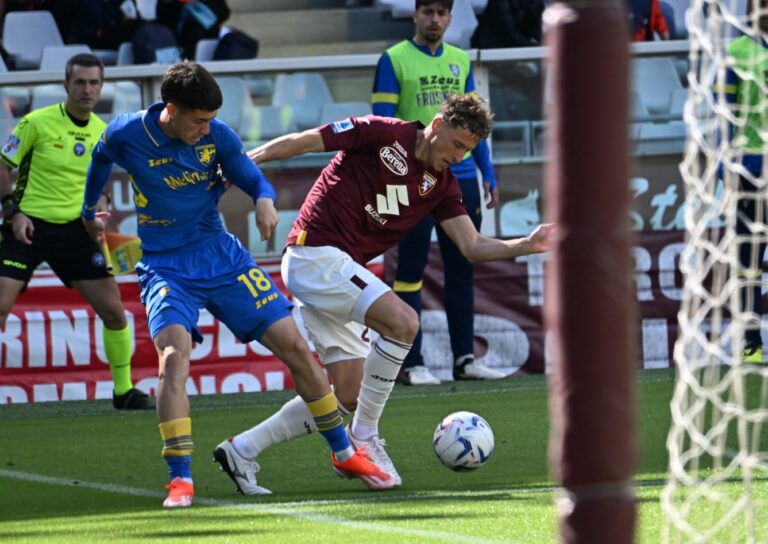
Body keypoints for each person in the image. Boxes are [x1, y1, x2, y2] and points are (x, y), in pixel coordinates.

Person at [80, 61, 395, 508]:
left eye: (211, 120)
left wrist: (264, 200)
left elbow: (250, 175)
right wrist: (91, 206)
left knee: (295, 348)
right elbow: (99, 156)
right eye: (199, 120)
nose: (207, 129)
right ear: (171, 109)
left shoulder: (218, 136)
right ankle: (181, 479)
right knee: (173, 359)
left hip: (222, 256)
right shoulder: (127, 133)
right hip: (166, 266)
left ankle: (344, 453)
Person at [213, 94, 553, 494]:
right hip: (315, 253)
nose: (460, 156)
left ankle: (243, 449)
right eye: (458, 144)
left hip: (338, 269)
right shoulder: (382, 132)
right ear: (439, 124)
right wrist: (243, 164)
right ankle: (365, 438)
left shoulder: (442, 186)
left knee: (347, 395)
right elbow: (306, 139)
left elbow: (472, 246)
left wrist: (526, 244)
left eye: (469, 151)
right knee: (404, 322)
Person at [0, 53, 152, 411]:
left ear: (102, 86)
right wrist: (12, 211)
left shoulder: (103, 132)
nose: (87, 89)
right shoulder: (36, 122)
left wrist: (96, 216)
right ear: (66, 85)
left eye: (94, 83)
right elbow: (3, 165)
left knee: (115, 311)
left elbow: (97, 186)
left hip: (76, 232)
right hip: (28, 226)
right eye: (80, 82)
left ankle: (123, 391)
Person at [371, 0, 504, 386]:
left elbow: (474, 126)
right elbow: (384, 124)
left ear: (449, 17)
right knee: (409, 271)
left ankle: (464, 358)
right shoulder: (394, 60)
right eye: (427, 11)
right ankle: (411, 363)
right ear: (415, 15)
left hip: (459, 179)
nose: (435, 19)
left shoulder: (460, 61)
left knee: (462, 266)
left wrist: (488, 173)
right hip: (412, 180)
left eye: (442, 13)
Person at [719, 0, 768, 364]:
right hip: (749, 170)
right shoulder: (736, 52)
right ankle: (751, 343)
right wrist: (727, 170)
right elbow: (724, 118)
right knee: (748, 262)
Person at [471, 0, 545, 49]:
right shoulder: (501, 2)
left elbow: (538, 28)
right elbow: (508, 32)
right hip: (491, 50)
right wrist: (534, 46)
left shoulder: (536, 2)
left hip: (517, 50)